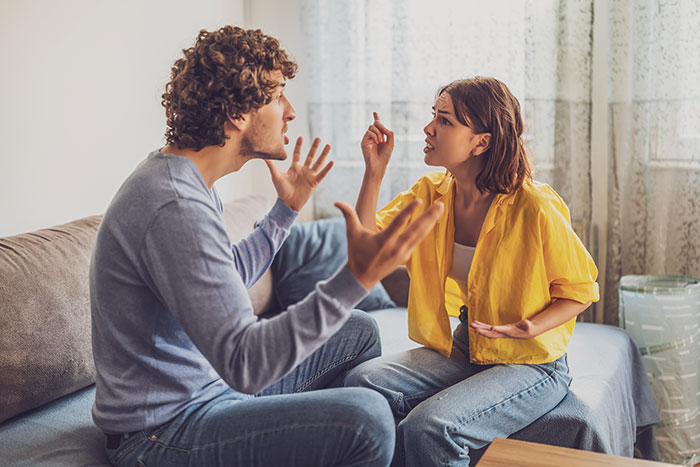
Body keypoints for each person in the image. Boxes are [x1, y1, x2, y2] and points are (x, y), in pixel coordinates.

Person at [90, 25, 443, 467]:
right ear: (238, 113)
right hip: (162, 432)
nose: (290, 111)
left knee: (357, 331)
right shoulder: (174, 203)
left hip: (211, 391)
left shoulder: (188, 182)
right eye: (278, 96)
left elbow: (223, 280)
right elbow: (246, 363)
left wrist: (285, 212)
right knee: (367, 418)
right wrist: (357, 277)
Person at [345, 77, 599, 466]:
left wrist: (530, 328)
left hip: (532, 362)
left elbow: (580, 291)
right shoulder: (431, 193)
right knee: (362, 384)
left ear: (480, 142)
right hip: (469, 345)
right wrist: (374, 172)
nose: (429, 128)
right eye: (434, 116)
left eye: (444, 121)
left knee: (431, 426)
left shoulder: (534, 206)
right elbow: (367, 250)